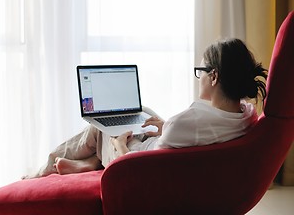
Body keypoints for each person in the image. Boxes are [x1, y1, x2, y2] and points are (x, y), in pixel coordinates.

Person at [23, 38, 267, 179]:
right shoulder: (245, 115)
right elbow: (186, 134)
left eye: (200, 72)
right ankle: (89, 164)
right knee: (141, 114)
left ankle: (39, 173)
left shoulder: (189, 121)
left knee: (99, 128)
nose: (199, 77)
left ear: (213, 77)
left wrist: (119, 146)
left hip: (134, 158)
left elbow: (139, 167)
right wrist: (164, 126)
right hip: (154, 149)